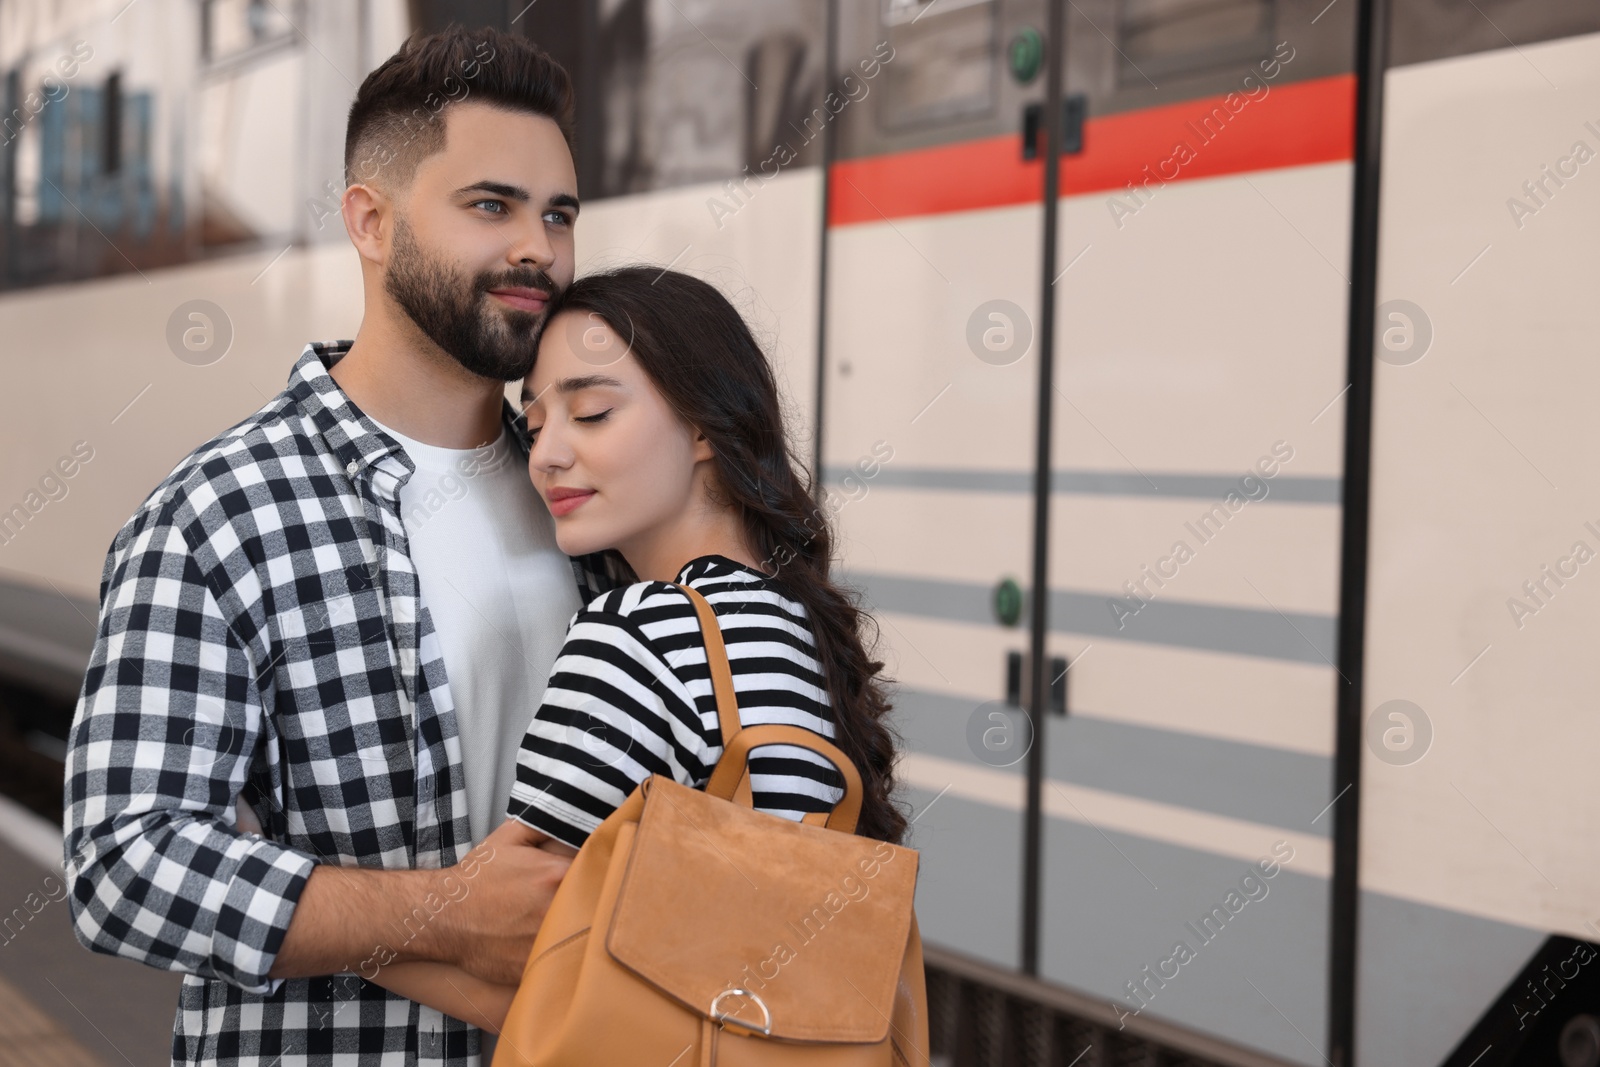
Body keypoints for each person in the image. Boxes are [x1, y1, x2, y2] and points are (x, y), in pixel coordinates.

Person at [60, 26, 623, 1066]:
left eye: (559, 214)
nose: (538, 248)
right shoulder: (220, 516)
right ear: (369, 220)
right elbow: (123, 864)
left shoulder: (594, 504)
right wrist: (446, 908)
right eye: (490, 205)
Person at [361, 266, 909, 1037]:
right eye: (538, 422)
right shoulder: (802, 624)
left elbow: (508, 954)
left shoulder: (642, 631)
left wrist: (335, 928)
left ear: (703, 428)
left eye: (590, 412)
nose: (545, 455)